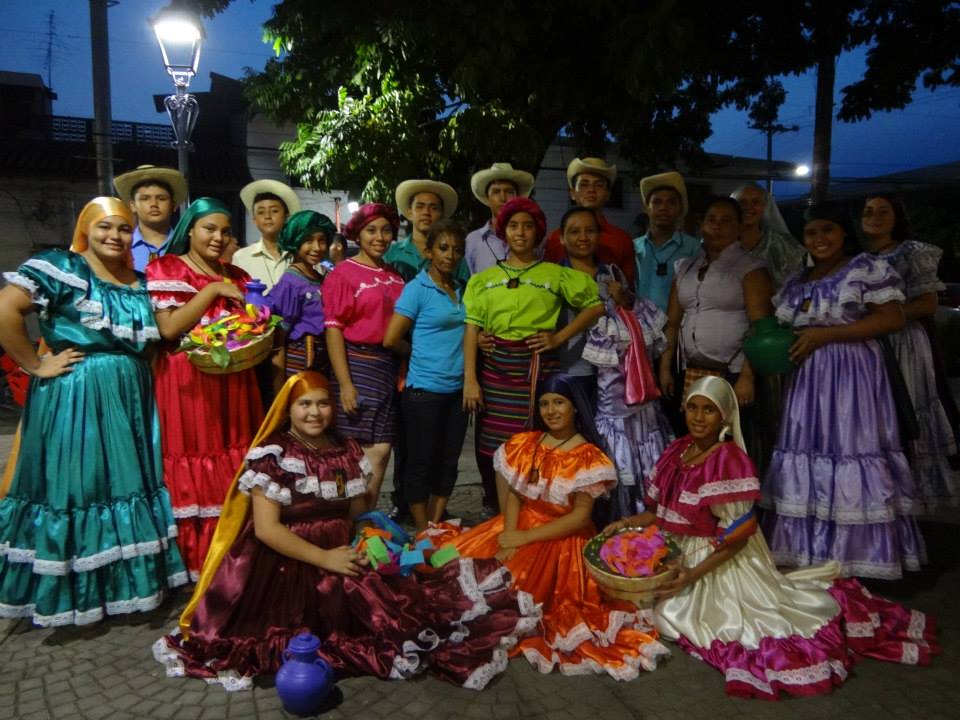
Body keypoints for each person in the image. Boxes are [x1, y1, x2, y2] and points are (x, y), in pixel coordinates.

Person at [154, 371, 537, 690]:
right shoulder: (272, 455)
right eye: (305, 404)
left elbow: (356, 511)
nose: (314, 412)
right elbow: (268, 530)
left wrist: (371, 523)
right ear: (288, 409)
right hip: (284, 563)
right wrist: (325, 558)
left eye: (322, 403)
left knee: (402, 610)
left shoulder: (345, 451)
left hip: (342, 552)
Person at [606, 377, 939, 700]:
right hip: (675, 548)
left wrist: (690, 576)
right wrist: (622, 524)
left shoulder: (728, 462)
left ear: (724, 415)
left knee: (677, 616)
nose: (698, 417)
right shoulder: (677, 450)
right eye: (692, 407)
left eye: (708, 410)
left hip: (715, 557)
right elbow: (658, 514)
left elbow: (736, 538)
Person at [0, 197, 187, 626]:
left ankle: (123, 588)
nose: (115, 236)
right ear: (86, 228)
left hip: (129, 398)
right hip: (77, 395)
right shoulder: (64, 268)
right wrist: (35, 364)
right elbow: (6, 308)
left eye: (123, 228)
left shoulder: (139, 281)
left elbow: (164, 331)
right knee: (78, 486)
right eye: (105, 227)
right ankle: (70, 591)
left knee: (121, 485)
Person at [450, 374, 669, 679]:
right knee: (462, 570)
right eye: (544, 404)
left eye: (559, 403)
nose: (551, 410)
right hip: (519, 525)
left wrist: (524, 538)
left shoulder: (587, 458)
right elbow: (515, 491)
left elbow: (579, 518)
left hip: (562, 540)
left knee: (508, 594)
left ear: (575, 407)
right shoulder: (528, 443)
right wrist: (508, 534)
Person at [762, 202, 925, 579]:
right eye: (811, 233)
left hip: (853, 378)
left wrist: (826, 336)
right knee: (811, 450)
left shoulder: (864, 269)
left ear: (843, 233)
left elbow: (891, 318)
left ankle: (855, 554)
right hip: (808, 380)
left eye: (827, 230)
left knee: (850, 449)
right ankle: (809, 550)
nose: (819, 239)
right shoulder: (797, 282)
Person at [146, 198, 264, 580]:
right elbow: (168, 328)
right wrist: (212, 291)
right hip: (187, 384)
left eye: (225, 231)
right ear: (190, 230)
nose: (218, 237)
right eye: (209, 229)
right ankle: (198, 560)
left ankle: (237, 549)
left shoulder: (238, 274)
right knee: (196, 457)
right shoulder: (167, 268)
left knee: (234, 455)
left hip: (234, 378)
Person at [463, 197, 604, 512]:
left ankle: (531, 508)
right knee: (490, 442)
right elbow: (472, 327)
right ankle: (495, 506)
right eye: (514, 226)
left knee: (533, 438)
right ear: (504, 232)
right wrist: (470, 380)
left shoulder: (555, 275)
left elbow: (595, 306)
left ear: (538, 232)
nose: (521, 233)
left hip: (536, 366)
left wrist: (558, 337)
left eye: (528, 226)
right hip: (494, 368)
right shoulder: (482, 280)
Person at [559, 207, 674, 521]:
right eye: (574, 231)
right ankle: (580, 518)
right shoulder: (553, 274)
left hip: (615, 379)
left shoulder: (613, 274)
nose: (583, 237)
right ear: (562, 237)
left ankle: (620, 516)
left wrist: (624, 298)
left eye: (590, 230)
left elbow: (635, 318)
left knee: (614, 443)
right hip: (572, 371)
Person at [860, 193, 958, 511]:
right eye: (868, 211)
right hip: (869, 345)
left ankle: (912, 498)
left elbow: (928, 303)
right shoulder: (858, 258)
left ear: (896, 216)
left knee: (907, 411)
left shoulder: (911, 253)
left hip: (904, 343)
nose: (874, 216)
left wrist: (884, 318)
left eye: (882, 211)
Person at [383, 220, 469, 532]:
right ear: (430, 251)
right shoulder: (417, 289)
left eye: (457, 250)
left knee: (448, 462)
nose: (450, 255)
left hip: (458, 390)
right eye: (443, 248)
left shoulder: (460, 289)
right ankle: (422, 528)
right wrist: (419, 353)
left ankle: (436, 524)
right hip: (423, 392)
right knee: (420, 463)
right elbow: (391, 338)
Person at [323, 204, 406, 507]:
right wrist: (345, 384)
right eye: (371, 230)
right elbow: (333, 329)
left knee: (382, 449)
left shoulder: (395, 275)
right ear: (358, 233)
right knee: (350, 452)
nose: (379, 237)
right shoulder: (343, 273)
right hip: (356, 364)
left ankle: (366, 518)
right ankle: (344, 520)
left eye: (386, 230)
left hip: (387, 367)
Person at [659, 196, 773, 410]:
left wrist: (747, 377)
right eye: (711, 220)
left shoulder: (750, 268)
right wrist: (665, 369)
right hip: (690, 369)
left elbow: (761, 327)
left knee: (730, 436)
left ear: (739, 227)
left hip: (734, 371)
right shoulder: (685, 268)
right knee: (696, 435)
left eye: (726, 220)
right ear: (702, 225)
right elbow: (672, 322)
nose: (717, 226)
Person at [542, 157, 637, 287]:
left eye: (598, 185)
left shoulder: (622, 240)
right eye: (584, 184)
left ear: (608, 194)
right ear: (572, 193)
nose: (591, 190)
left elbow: (628, 292)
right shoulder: (554, 239)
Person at [268, 210, 337, 382]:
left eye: (322, 240)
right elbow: (279, 341)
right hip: (299, 362)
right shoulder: (291, 282)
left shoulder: (320, 278)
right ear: (295, 241)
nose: (317, 247)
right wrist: (279, 390)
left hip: (322, 360)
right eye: (308, 240)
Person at [633, 171, 700, 311]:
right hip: (638, 327)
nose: (663, 208)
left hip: (678, 328)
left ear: (679, 208)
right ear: (646, 207)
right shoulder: (633, 247)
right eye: (657, 202)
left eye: (671, 202)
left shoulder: (693, 248)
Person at [385, 179, 470, 284]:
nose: (426, 212)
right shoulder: (391, 253)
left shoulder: (453, 256)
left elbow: (464, 294)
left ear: (442, 215)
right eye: (419, 207)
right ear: (410, 212)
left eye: (434, 208)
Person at [113, 164, 188, 271]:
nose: (154, 204)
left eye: (162, 198)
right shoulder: (119, 247)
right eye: (145, 199)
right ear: (132, 205)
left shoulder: (187, 247)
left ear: (173, 205)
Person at [732, 183, 806, 290]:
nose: (748, 207)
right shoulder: (721, 243)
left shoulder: (786, 245)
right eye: (742, 202)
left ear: (765, 206)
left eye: (756, 202)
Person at [464, 163, 535, 274]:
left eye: (509, 192)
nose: (503, 198)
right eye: (496, 192)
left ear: (517, 197)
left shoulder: (531, 238)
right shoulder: (473, 241)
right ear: (488, 198)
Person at [232, 179, 301, 292]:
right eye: (261, 212)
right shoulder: (241, 258)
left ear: (286, 216)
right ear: (254, 219)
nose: (267, 216)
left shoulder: (300, 255)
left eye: (274, 211)